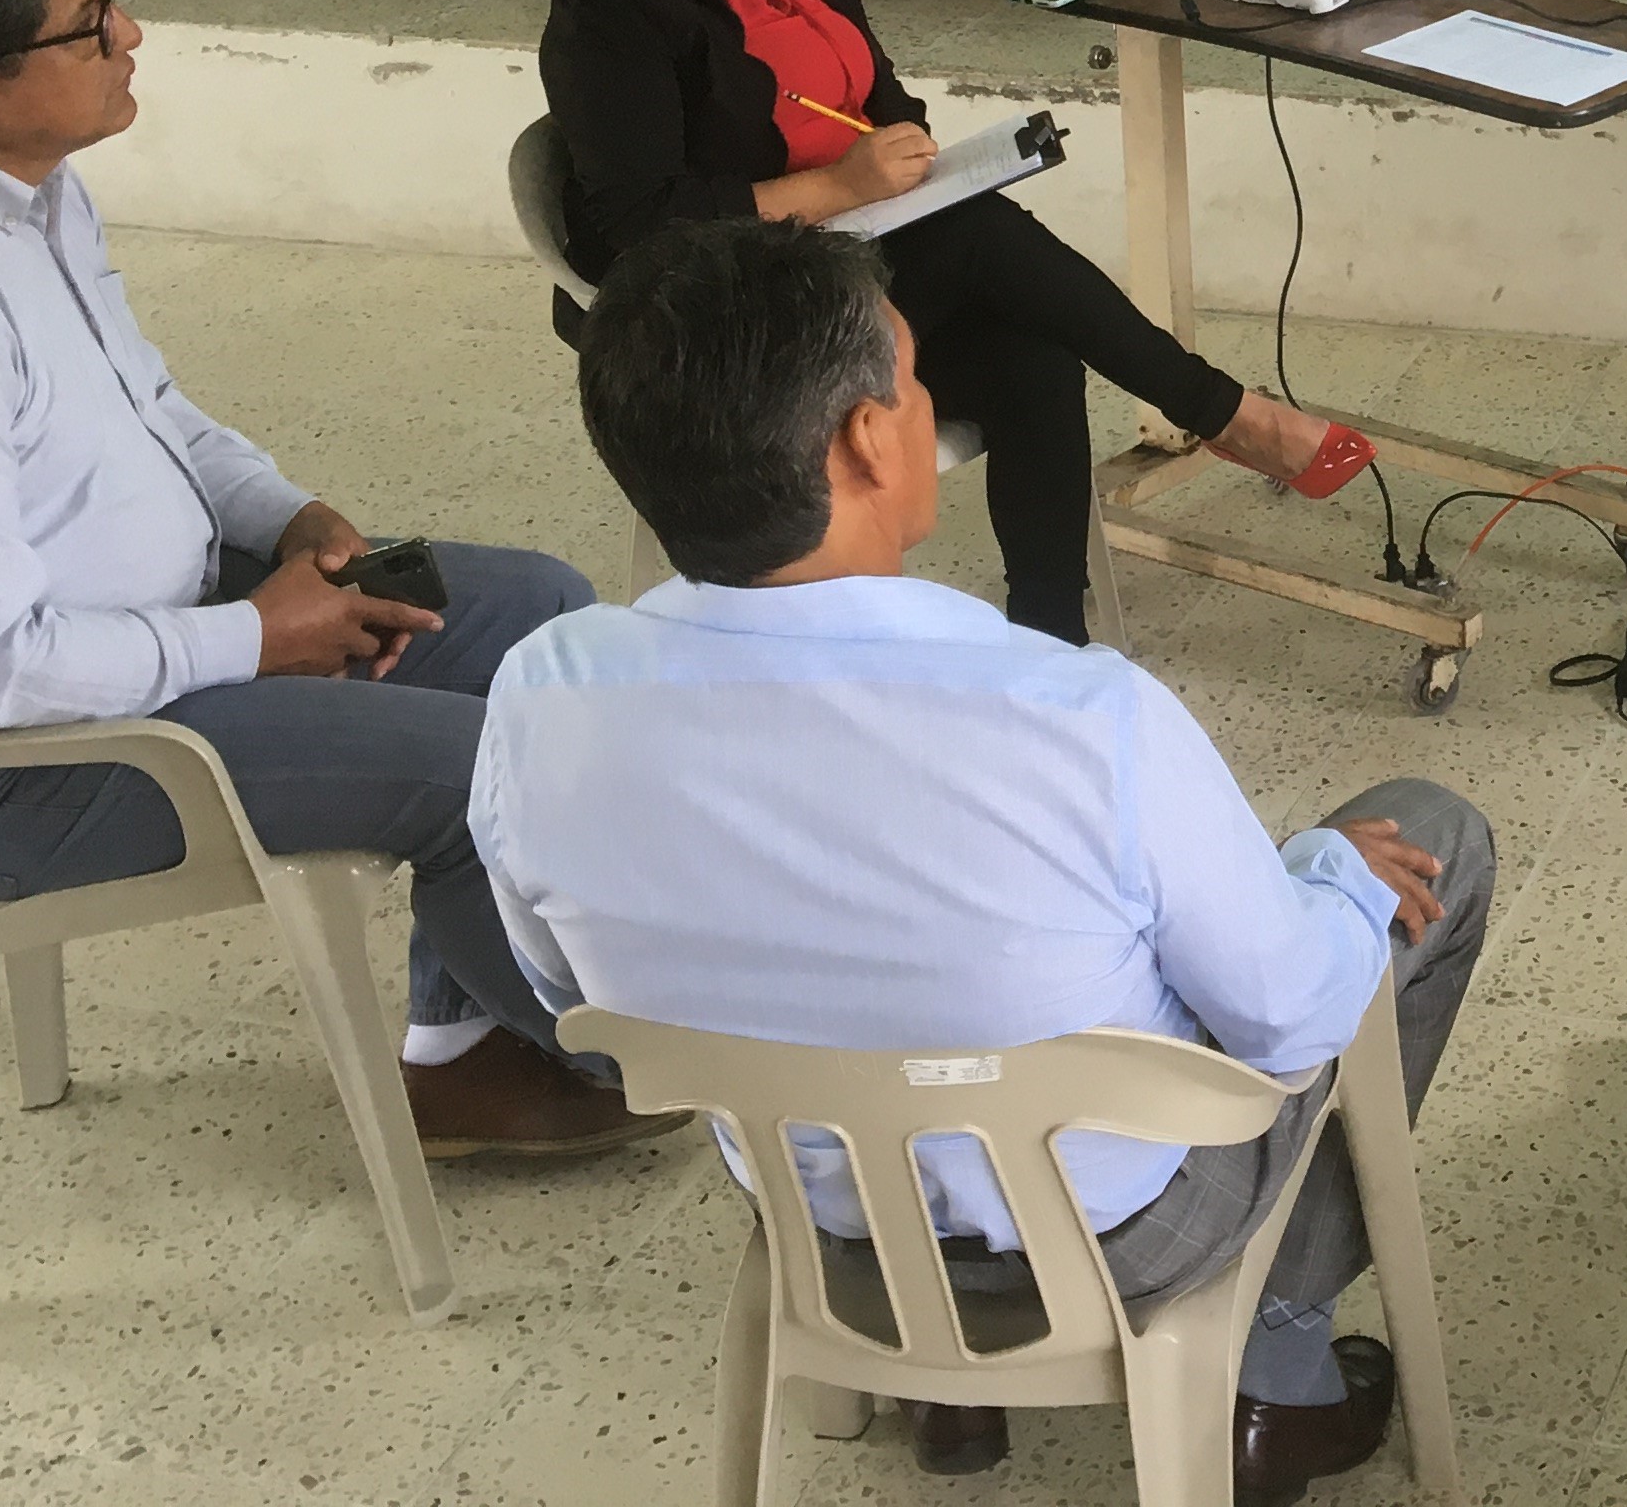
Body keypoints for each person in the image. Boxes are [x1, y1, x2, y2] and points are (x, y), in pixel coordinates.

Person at [473, 218, 1489, 1497]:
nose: (928, 403)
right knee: (1428, 834)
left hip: (826, 1228)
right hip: (1114, 1234)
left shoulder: (541, 696)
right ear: (865, 439)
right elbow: (1287, 1022)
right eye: (913, 379)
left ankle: (939, 1393)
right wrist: (1326, 873)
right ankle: (1280, 1363)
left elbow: (573, 1002)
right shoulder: (1077, 715)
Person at [0, 0, 662, 1157]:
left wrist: (289, 520)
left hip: (164, 619)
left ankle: (454, 1056)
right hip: (23, 765)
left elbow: (150, 406)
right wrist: (258, 639)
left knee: (540, 614)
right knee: (474, 771)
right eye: (89, 22)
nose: (130, 34)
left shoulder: (23, 186)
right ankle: (665, 1057)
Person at [537, 0, 1367, 646]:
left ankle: (1048, 641)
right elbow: (642, 226)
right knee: (977, 235)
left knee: (1034, 357)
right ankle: (1222, 412)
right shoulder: (606, 4)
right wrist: (838, 187)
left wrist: (907, 151)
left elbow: (884, 97)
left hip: (855, 257)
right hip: (734, 306)